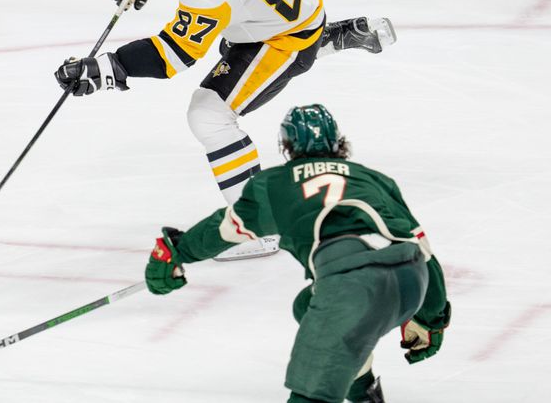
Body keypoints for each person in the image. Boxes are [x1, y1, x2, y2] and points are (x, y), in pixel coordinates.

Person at [55, 0, 396, 260]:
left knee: (209, 115)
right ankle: (331, 36)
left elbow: (175, 54)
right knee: (230, 57)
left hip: (281, 40)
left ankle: (256, 229)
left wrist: (108, 68)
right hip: (282, 12)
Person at [144, 104, 451, 403]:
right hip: (411, 279)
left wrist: (176, 252)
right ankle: (363, 391)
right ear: (338, 142)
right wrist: (431, 318)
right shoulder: (374, 179)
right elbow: (424, 252)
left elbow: (223, 230)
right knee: (307, 305)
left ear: (286, 147)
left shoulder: (275, 184)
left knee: (310, 392)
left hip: (351, 288)